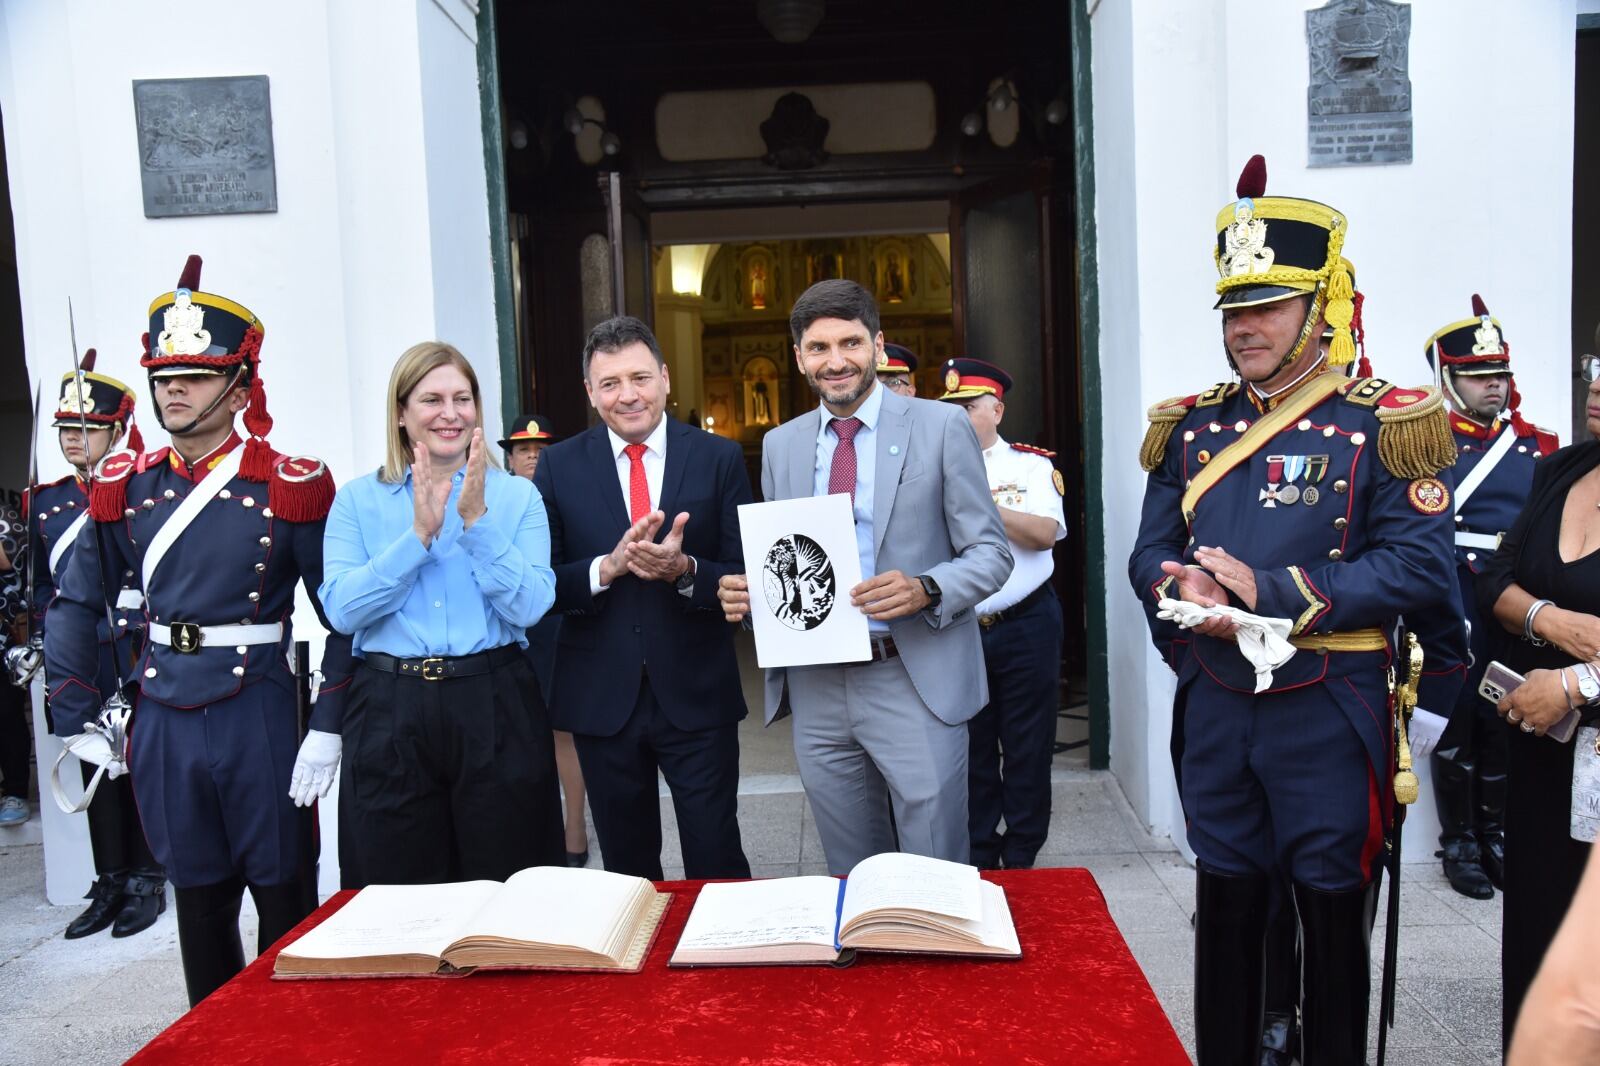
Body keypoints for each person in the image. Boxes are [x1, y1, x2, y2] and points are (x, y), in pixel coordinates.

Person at [1127, 155, 1457, 1063]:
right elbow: (1149, 548)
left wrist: (1271, 594)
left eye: (1269, 307)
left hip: (1328, 700)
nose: (1247, 329)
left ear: (1322, 307)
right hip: (1219, 699)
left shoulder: (1383, 422)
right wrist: (1180, 590)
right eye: (1236, 311)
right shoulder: (1191, 426)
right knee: (1226, 896)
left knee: (1328, 904)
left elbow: (1419, 568)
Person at [43, 255, 352, 1007]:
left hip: (261, 712)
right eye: (162, 375)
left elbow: (343, 615)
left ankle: (294, 1048)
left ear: (241, 386)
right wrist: (77, 711)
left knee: (284, 900)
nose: (171, 390)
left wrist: (329, 723)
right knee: (200, 898)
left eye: (194, 375)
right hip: (164, 716)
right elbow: (76, 603)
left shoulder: (290, 483)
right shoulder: (126, 486)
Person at [717, 279, 1013, 875]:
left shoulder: (939, 427)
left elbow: (991, 553)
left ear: (877, 346)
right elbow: (791, 556)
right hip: (819, 684)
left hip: (912, 670)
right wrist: (750, 591)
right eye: (819, 347)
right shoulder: (780, 445)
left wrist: (926, 587)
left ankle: (939, 965)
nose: (836, 361)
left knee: (935, 867)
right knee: (851, 866)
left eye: (850, 343)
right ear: (798, 356)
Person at [321, 344, 565, 888]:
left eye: (462, 398)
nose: (449, 413)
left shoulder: (518, 499)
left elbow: (528, 607)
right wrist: (418, 538)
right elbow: (341, 610)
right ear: (402, 412)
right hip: (389, 707)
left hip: (494, 700)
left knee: (510, 883)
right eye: (431, 399)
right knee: (394, 888)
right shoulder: (358, 500)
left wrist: (475, 523)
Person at [533, 316, 752, 881]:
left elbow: (743, 570)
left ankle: (725, 967)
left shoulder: (719, 458)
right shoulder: (558, 466)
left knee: (716, 855)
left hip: (697, 691)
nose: (627, 395)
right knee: (628, 871)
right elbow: (541, 583)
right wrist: (605, 569)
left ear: (665, 378)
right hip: (600, 697)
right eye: (609, 384)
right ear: (590, 392)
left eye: (640, 378)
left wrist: (684, 569)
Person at [1477, 351, 1600, 1050]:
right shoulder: (1560, 469)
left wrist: (1576, 683)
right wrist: (1554, 623)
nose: (1599, 384)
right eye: (1597, 361)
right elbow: (1492, 578)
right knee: (1538, 940)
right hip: (1545, 756)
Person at [1422, 294, 1559, 899]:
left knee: (1504, 713)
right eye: (1478, 376)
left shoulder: (1539, 446)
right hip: (1451, 593)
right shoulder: (1424, 444)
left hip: (1509, 595)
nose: (1493, 387)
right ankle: (1459, 843)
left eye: (1499, 374)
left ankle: (1497, 834)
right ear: (1447, 379)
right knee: (1455, 718)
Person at [27, 353, 167, 937]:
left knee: (136, 764)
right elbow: (42, 587)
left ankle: (149, 879)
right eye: (65, 429)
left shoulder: (136, 487)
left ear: (116, 430)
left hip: (131, 649)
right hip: (77, 652)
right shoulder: (45, 501)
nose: (73, 439)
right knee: (89, 763)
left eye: (86, 428)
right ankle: (109, 878)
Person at [937, 357, 1067, 870]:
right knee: (970, 747)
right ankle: (980, 851)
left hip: (1025, 624)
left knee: (1027, 745)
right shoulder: (932, 468)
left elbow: (1043, 533)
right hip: (960, 625)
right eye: (953, 409)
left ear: (997, 409)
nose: (962, 418)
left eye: (971, 407)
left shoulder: (1029, 466)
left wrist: (978, 504)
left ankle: (1023, 852)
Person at [500, 411, 589, 867]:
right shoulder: (495, 498)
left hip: (555, 627)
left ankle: (574, 829)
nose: (533, 457)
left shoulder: (570, 493)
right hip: (510, 629)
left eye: (541, 450)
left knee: (562, 731)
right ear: (509, 458)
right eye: (523, 450)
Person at [0, 490, 29, 829]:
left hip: (6, 639)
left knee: (6, 715)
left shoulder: (6, 515)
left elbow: (9, 558)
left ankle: (16, 791)